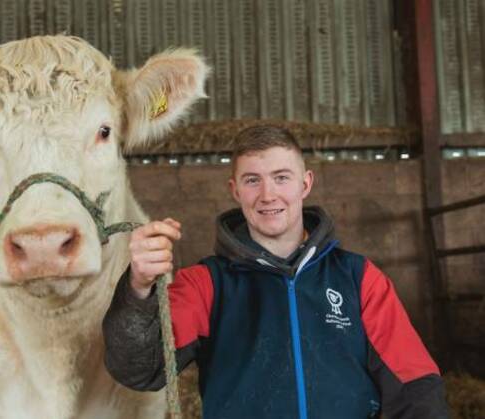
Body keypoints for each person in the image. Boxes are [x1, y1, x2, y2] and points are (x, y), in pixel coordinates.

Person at [102, 126, 449, 419]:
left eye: (281, 178)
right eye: (252, 180)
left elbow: (415, 383)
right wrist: (139, 286)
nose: (268, 195)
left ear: (305, 184)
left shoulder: (358, 278)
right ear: (235, 189)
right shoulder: (206, 284)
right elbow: (139, 369)